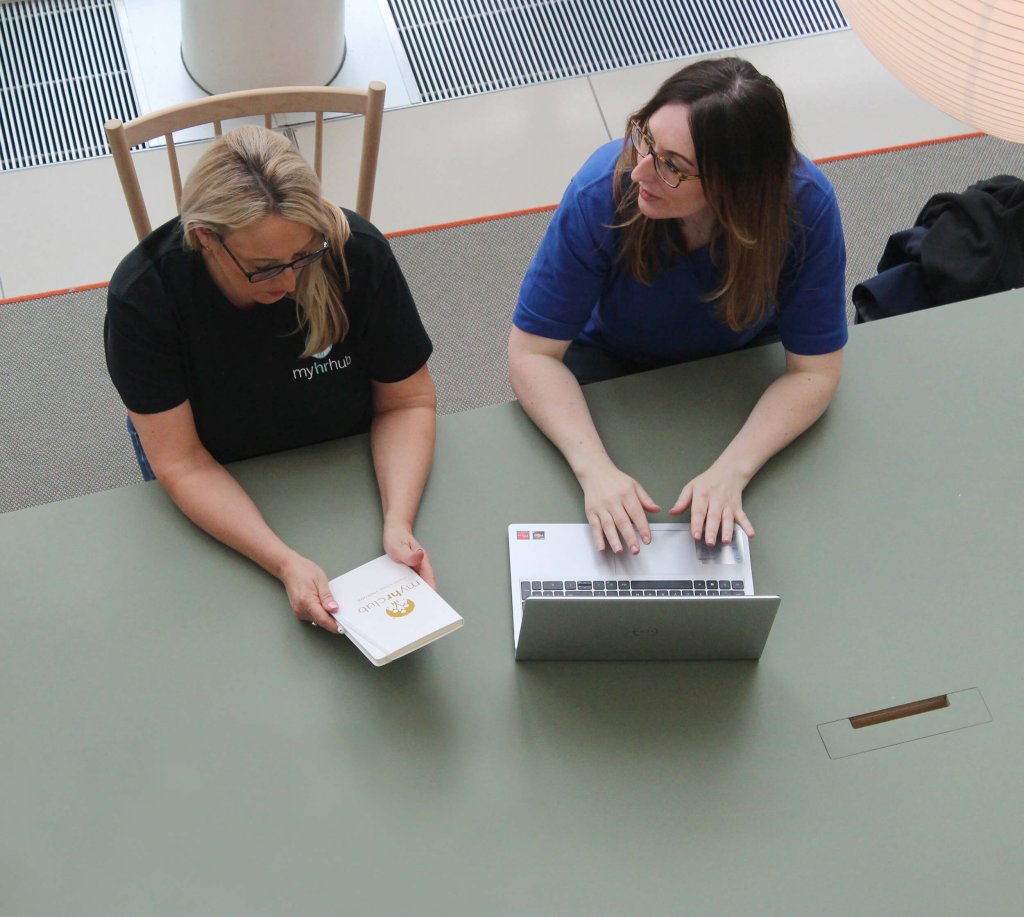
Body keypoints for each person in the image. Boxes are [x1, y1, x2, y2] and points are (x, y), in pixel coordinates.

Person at [508, 57, 847, 555]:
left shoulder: (806, 206)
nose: (641, 170)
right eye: (646, 138)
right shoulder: (603, 187)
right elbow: (532, 354)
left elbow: (815, 372)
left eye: (673, 166)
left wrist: (733, 470)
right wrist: (595, 472)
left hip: (741, 359)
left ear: (736, 185)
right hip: (609, 359)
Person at [105, 125, 436, 633]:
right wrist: (283, 562)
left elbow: (407, 402)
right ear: (205, 240)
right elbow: (182, 462)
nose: (289, 283)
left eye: (304, 255)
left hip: (340, 466)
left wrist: (398, 521)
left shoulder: (357, 252)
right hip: (216, 468)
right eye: (263, 268)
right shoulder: (144, 299)